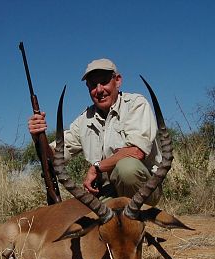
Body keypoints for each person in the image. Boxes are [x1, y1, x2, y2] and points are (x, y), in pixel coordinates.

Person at [28, 58, 162, 205]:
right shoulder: (84, 119)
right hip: (109, 191)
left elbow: (136, 152)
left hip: (144, 190)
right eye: (93, 85)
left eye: (104, 82)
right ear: (87, 87)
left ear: (117, 81)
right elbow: (54, 157)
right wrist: (38, 137)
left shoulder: (135, 104)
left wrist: (96, 168)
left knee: (127, 168)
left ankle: (136, 220)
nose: (99, 90)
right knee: (75, 212)